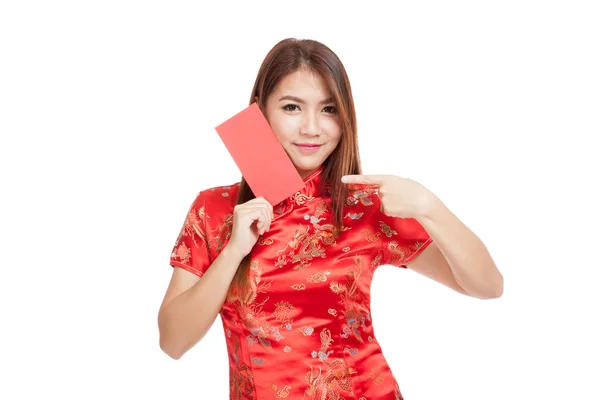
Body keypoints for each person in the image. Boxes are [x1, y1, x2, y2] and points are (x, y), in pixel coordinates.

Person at [158, 38, 503, 400]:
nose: (312, 128)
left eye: (328, 109)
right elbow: (173, 341)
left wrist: (429, 206)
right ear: (259, 111)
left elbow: (488, 286)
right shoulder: (215, 208)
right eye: (292, 107)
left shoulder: (364, 206)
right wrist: (233, 252)